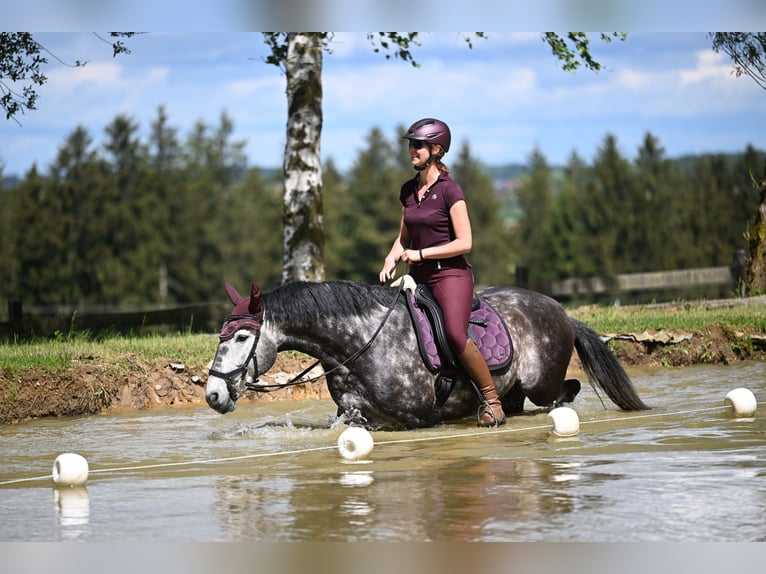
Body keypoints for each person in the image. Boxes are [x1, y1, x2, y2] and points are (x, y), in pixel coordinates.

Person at [379, 117, 506, 427]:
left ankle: (493, 402)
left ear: (436, 149)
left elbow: (465, 242)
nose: (411, 150)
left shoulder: (451, 190)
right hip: (417, 276)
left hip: (450, 276)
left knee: (453, 333)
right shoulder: (408, 190)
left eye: (417, 145)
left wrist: (421, 253)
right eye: (410, 144)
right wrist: (392, 257)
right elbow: (405, 236)